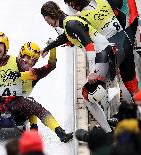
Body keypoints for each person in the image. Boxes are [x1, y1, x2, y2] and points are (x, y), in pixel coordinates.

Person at [0, 32, 73, 142]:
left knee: (36, 107)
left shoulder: (16, 62)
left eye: (0, 45)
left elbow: (32, 74)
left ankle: (60, 132)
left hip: (16, 101)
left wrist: (19, 74)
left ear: (5, 47)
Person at [41, 1, 115, 133]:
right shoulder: (68, 22)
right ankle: (108, 121)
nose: (47, 22)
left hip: (102, 55)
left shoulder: (70, 24)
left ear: (48, 17)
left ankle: (109, 131)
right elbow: (65, 37)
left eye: (46, 19)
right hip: (104, 53)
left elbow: (90, 46)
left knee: (88, 97)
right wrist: (48, 48)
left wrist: (92, 71)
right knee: (94, 93)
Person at [0, 42, 58, 131]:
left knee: (30, 102)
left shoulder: (34, 73)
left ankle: (34, 128)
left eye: (33, 60)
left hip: (19, 112)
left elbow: (51, 66)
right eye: (27, 57)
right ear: (21, 55)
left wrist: (52, 48)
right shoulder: (10, 64)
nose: (29, 62)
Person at [62, 0, 139, 97]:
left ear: (73, 4)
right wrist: (130, 35)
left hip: (114, 48)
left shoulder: (82, 18)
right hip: (124, 40)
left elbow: (85, 40)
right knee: (130, 77)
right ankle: (136, 96)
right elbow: (121, 16)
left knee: (95, 85)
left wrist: (69, 41)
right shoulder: (102, 2)